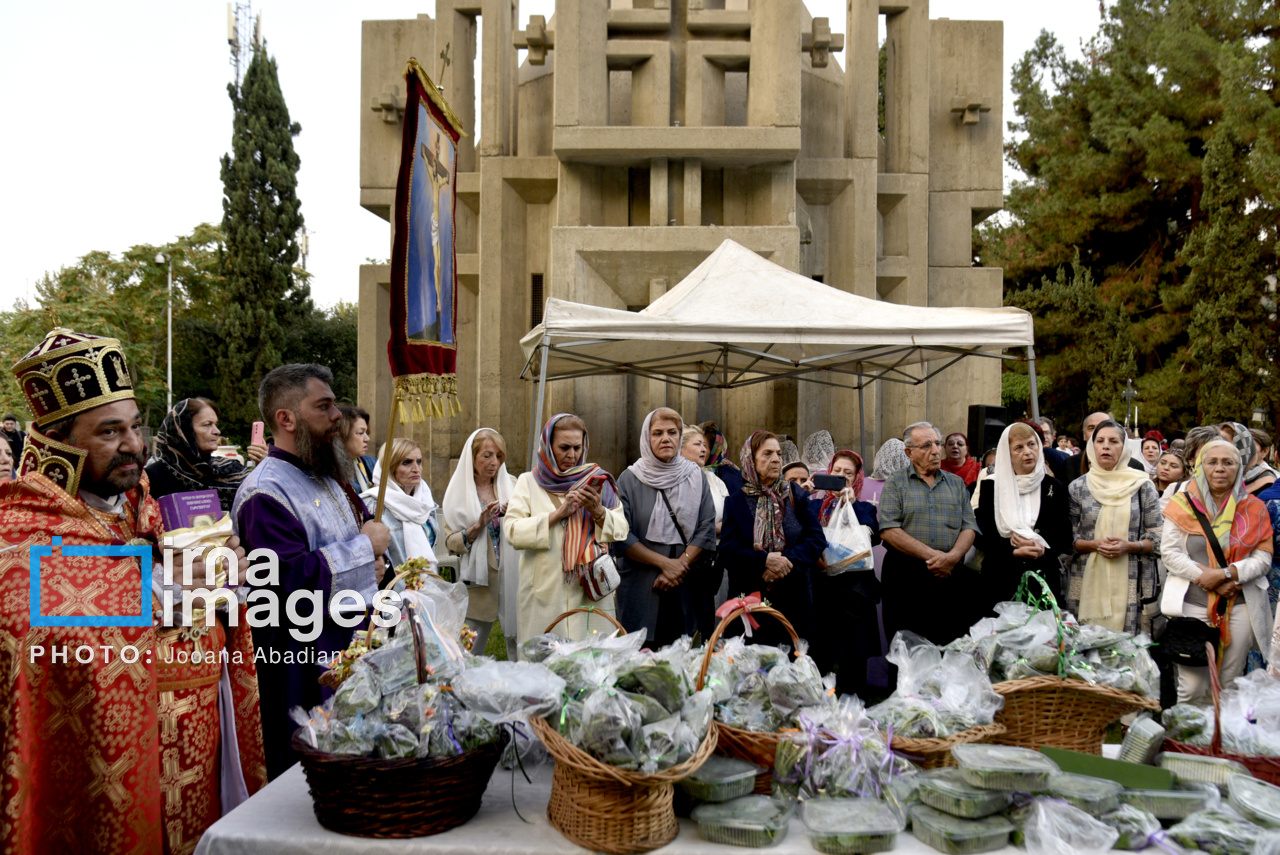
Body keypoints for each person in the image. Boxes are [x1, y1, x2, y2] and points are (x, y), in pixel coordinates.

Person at [2, 328, 266, 854]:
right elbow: (24, 601)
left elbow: (177, 585)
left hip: (196, 746)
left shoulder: (141, 506)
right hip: (102, 757)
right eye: (109, 432)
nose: (133, 446)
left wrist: (220, 575)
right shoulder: (19, 518)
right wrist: (153, 585)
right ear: (56, 442)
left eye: (135, 426)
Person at [232, 363, 389, 780]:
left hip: (349, 642)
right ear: (286, 418)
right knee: (312, 770)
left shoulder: (326, 474)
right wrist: (364, 549)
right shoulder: (265, 492)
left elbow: (354, 537)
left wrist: (376, 562)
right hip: (302, 660)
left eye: (334, 404)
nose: (337, 415)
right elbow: (284, 582)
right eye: (324, 406)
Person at [1161, 439, 1274, 701]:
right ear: (1201, 466)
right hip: (1193, 605)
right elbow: (1171, 553)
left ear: (1239, 468)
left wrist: (1226, 574)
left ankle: (1217, 741)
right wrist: (1208, 579)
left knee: (1226, 685)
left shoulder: (1254, 508)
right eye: (1212, 462)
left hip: (1240, 606)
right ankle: (1186, 741)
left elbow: (1262, 559)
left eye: (1228, 462)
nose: (1219, 468)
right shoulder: (1182, 504)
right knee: (1191, 689)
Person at [504, 413, 628, 649]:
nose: (572, 455)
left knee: (591, 663)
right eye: (564, 448)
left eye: (577, 447)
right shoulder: (528, 482)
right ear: (548, 447)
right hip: (544, 594)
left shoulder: (598, 482)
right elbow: (512, 531)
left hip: (590, 591)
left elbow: (622, 529)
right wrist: (556, 515)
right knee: (544, 663)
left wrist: (599, 511)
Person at [615, 408, 717, 646]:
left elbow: (706, 526)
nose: (665, 438)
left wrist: (680, 565)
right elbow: (621, 535)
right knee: (642, 662)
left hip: (686, 583)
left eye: (672, 432)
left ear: (680, 437)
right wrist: (666, 564)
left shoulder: (695, 476)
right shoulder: (629, 479)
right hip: (643, 584)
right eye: (657, 433)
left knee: (683, 657)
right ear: (646, 438)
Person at [718, 431, 826, 648]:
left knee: (791, 669)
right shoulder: (736, 502)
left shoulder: (796, 496)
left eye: (778, 453)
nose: (776, 459)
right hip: (750, 603)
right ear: (751, 459)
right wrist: (764, 561)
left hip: (794, 600)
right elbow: (728, 551)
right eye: (767, 454)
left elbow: (816, 540)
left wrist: (784, 562)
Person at [879, 423, 981, 645]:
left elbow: (969, 526)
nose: (936, 450)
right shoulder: (896, 482)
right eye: (926, 445)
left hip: (949, 573)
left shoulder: (955, 483)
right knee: (905, 648)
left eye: (937, 443)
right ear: (909, 452)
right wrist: (936, 558)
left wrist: (951, 558)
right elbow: (889, 529)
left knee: (950, 644)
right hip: (905, 575)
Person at [1066, 419, 1162, 634]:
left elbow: (1159, 538)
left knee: (1128, 653)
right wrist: (1093, 545)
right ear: (1092, 447)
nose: (1106, 446)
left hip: (1132, 581)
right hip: (1087, 581)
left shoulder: (1142, 486)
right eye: (1099, 441)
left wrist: (1130, 546)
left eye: (1113, 441)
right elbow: (1066, 540)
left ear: (1125, 447)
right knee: (1086, 653)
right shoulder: (1078, 488)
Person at [974, 422, 1072, 605]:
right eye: (1019, 447)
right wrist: (1012, 549)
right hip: (1001, 579)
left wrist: (1042, 549)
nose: (1027, 452)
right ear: (1007, 454)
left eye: (1032, 444)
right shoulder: (991, 486)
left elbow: (1065, 537)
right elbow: (981, 534)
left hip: (1043, 581)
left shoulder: (1054, 487)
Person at [810, 449, 881, 697]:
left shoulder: (864, 509)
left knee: (854, 656)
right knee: (820, 653)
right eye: (837, 471)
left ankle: (854, 705)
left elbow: (872, 535)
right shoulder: (813, 506)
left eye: (848, 473)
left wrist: (850, 504)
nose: (841, 476)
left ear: (857, 479)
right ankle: (819, 704)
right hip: (819, 590)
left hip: (855, 595)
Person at [443, 428, 518, 660]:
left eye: (498, 456)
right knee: (469, 649)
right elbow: (450, 542)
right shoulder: (459, 490)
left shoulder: (512, 485)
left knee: (519, 641)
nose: (493, 462)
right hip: (479, 577)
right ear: (472, 457)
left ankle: (524, 686)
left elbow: (527, 524)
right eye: (487, 455)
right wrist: (478, 525)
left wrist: (513, 514)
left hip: (513, 573)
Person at [145, 397, 268, 511]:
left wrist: (265, 466)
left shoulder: (231, 470)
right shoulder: (153, 476)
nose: (217, 431)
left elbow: (264, 504)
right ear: (184, 431)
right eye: (207, 425)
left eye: (216, 425)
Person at [361, 437, 440, 573]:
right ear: (390, 468)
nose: (416, 469)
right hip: (393, 589)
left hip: (427, 585)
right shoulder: (375, 505)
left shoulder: (426, 503)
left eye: (419, 461)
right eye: (406, 463)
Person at [682, 424, 729, 624]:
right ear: (680, 448)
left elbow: (731, 515)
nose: (704, 449)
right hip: (684, 560)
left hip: (712, 560)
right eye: (697, 444)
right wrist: (713, 528)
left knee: (706, 614)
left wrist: (718, 528)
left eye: (705, 445)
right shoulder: (675, 480)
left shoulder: (713, 479)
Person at [1062, 412, 1147, 481]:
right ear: (1084, 434)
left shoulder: (1135, 467)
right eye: (1091, 428)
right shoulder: (1070, 465)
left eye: (1104, 426)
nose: (1097, 432)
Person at [338, 405, 376, 494]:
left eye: (366, 433)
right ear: (342, 434)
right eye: (361, 433)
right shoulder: (327, 471)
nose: (367, 439)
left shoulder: (370, 463)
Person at [700, 421, 744, 494]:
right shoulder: (699, 471)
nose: (700, 450)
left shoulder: (728, 475)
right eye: (697, 444)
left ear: (714, 450)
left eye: (704, 446)